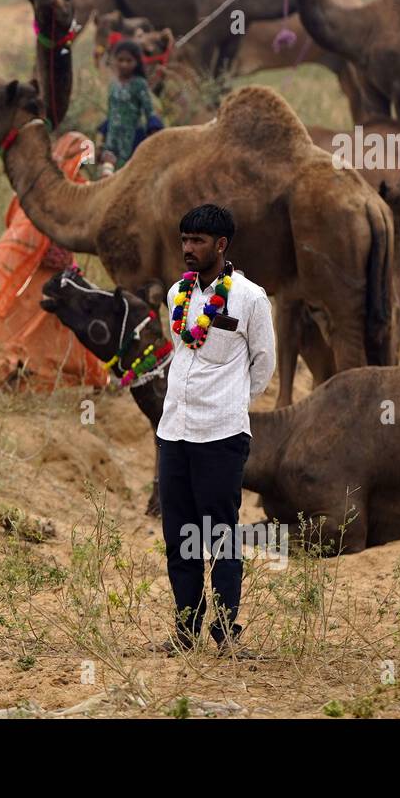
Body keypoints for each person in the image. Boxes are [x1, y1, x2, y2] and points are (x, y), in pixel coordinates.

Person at [155, 204, 275, 657]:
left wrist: (230, 401)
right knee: (178, 536)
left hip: (222, 436)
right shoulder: (175, 294)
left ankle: (226, 635)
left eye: (198, 241)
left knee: (220, 534)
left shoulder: (250, 298)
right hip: (174, 432)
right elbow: (181, 353)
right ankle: (185, 632)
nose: (188, 248)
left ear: (221, 245)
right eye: (185, 239)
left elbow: (264, 364)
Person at [0, 132, 109, 391]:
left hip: (63, 274)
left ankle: (48, 377)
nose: (80, 168)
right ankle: (10, 371)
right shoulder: (43, 190)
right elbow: (17, 217)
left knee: (65, 325)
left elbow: (101, 211)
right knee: (21, 324)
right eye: (78, 160)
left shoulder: (80, 188)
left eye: (83, 162)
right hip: (36, 271)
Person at [97, 38, 160, 175]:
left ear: (136, 62)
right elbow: (111, 113)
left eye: (129, 61)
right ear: (114, 61)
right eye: (120, 60)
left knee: (129, 179)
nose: (124, 64)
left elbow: (149, 112)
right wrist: (100, 139)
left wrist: (155, 140)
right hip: (112, 140)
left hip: (132, 140)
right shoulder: (113, 85)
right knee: (106, 179)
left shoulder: (139, 84)